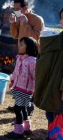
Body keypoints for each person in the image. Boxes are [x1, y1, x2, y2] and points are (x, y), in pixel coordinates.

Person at [8, 0, 44, 115]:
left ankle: (29, 107)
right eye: (15, 9)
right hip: (21, 54)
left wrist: (26, 24)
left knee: (30, 80)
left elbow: (37, 38)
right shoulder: (18, 18)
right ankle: (18, 104)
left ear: (26, 8)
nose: (16, 11)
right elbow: (15, 35)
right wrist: (13, 23)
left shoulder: (38, 20)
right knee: (19, 79)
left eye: (18, 9)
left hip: (32, 56)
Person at [34, 8, 63, 140]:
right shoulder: (57, 38)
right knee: (52, 115)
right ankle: (53, 135)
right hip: (53, 85)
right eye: (62, 17)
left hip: (61, 90)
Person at [6, 37, 38, 139]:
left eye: (22, 45)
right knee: (23, 108)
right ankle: (26, 128)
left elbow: (35, 77)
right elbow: (15, 72)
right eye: (20, 44)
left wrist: (35, 90)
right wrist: (12, 81)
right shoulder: (20, 58)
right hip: (18, 87)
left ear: (29, 47)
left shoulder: (32, 61)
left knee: (17, 108)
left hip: (26, 90)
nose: (19, 46)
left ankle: (18, 131)